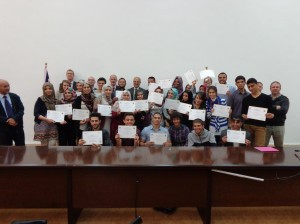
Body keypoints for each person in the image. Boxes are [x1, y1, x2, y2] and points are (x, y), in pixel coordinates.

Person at [241, 78, 274, 146]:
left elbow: (271, 112)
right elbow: (243, 113)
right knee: (247, 147)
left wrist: (271, 115)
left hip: (261, 127)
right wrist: (244, 116)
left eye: (252, 86)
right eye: (249, 87)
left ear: (257, 85)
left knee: (260, 147)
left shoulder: (267, 98)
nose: (250, 88)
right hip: (248, 126)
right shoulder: (246, 99)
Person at [0, 79, 25, 146]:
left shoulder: (15, 96)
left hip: (17, 128)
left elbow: (21, 110)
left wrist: (14, 119)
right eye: (5, 86)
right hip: (3, 130)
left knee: (21, 150)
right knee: (6, 152)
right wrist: (7, 120)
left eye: (8, 86)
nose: (8, 88)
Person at [265, 81, 289, 148]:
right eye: (273, 87)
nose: (275, 88)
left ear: (280, 88)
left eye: (277, 87)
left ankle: (279, 159)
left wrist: (272, 110)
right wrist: (277, 107)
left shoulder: (284, 99)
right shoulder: (266, 98)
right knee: (263, 146)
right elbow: (263, 109)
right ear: (270, 88)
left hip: (279, 126)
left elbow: (284, 110)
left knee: (279, 147)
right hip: (266, 126)